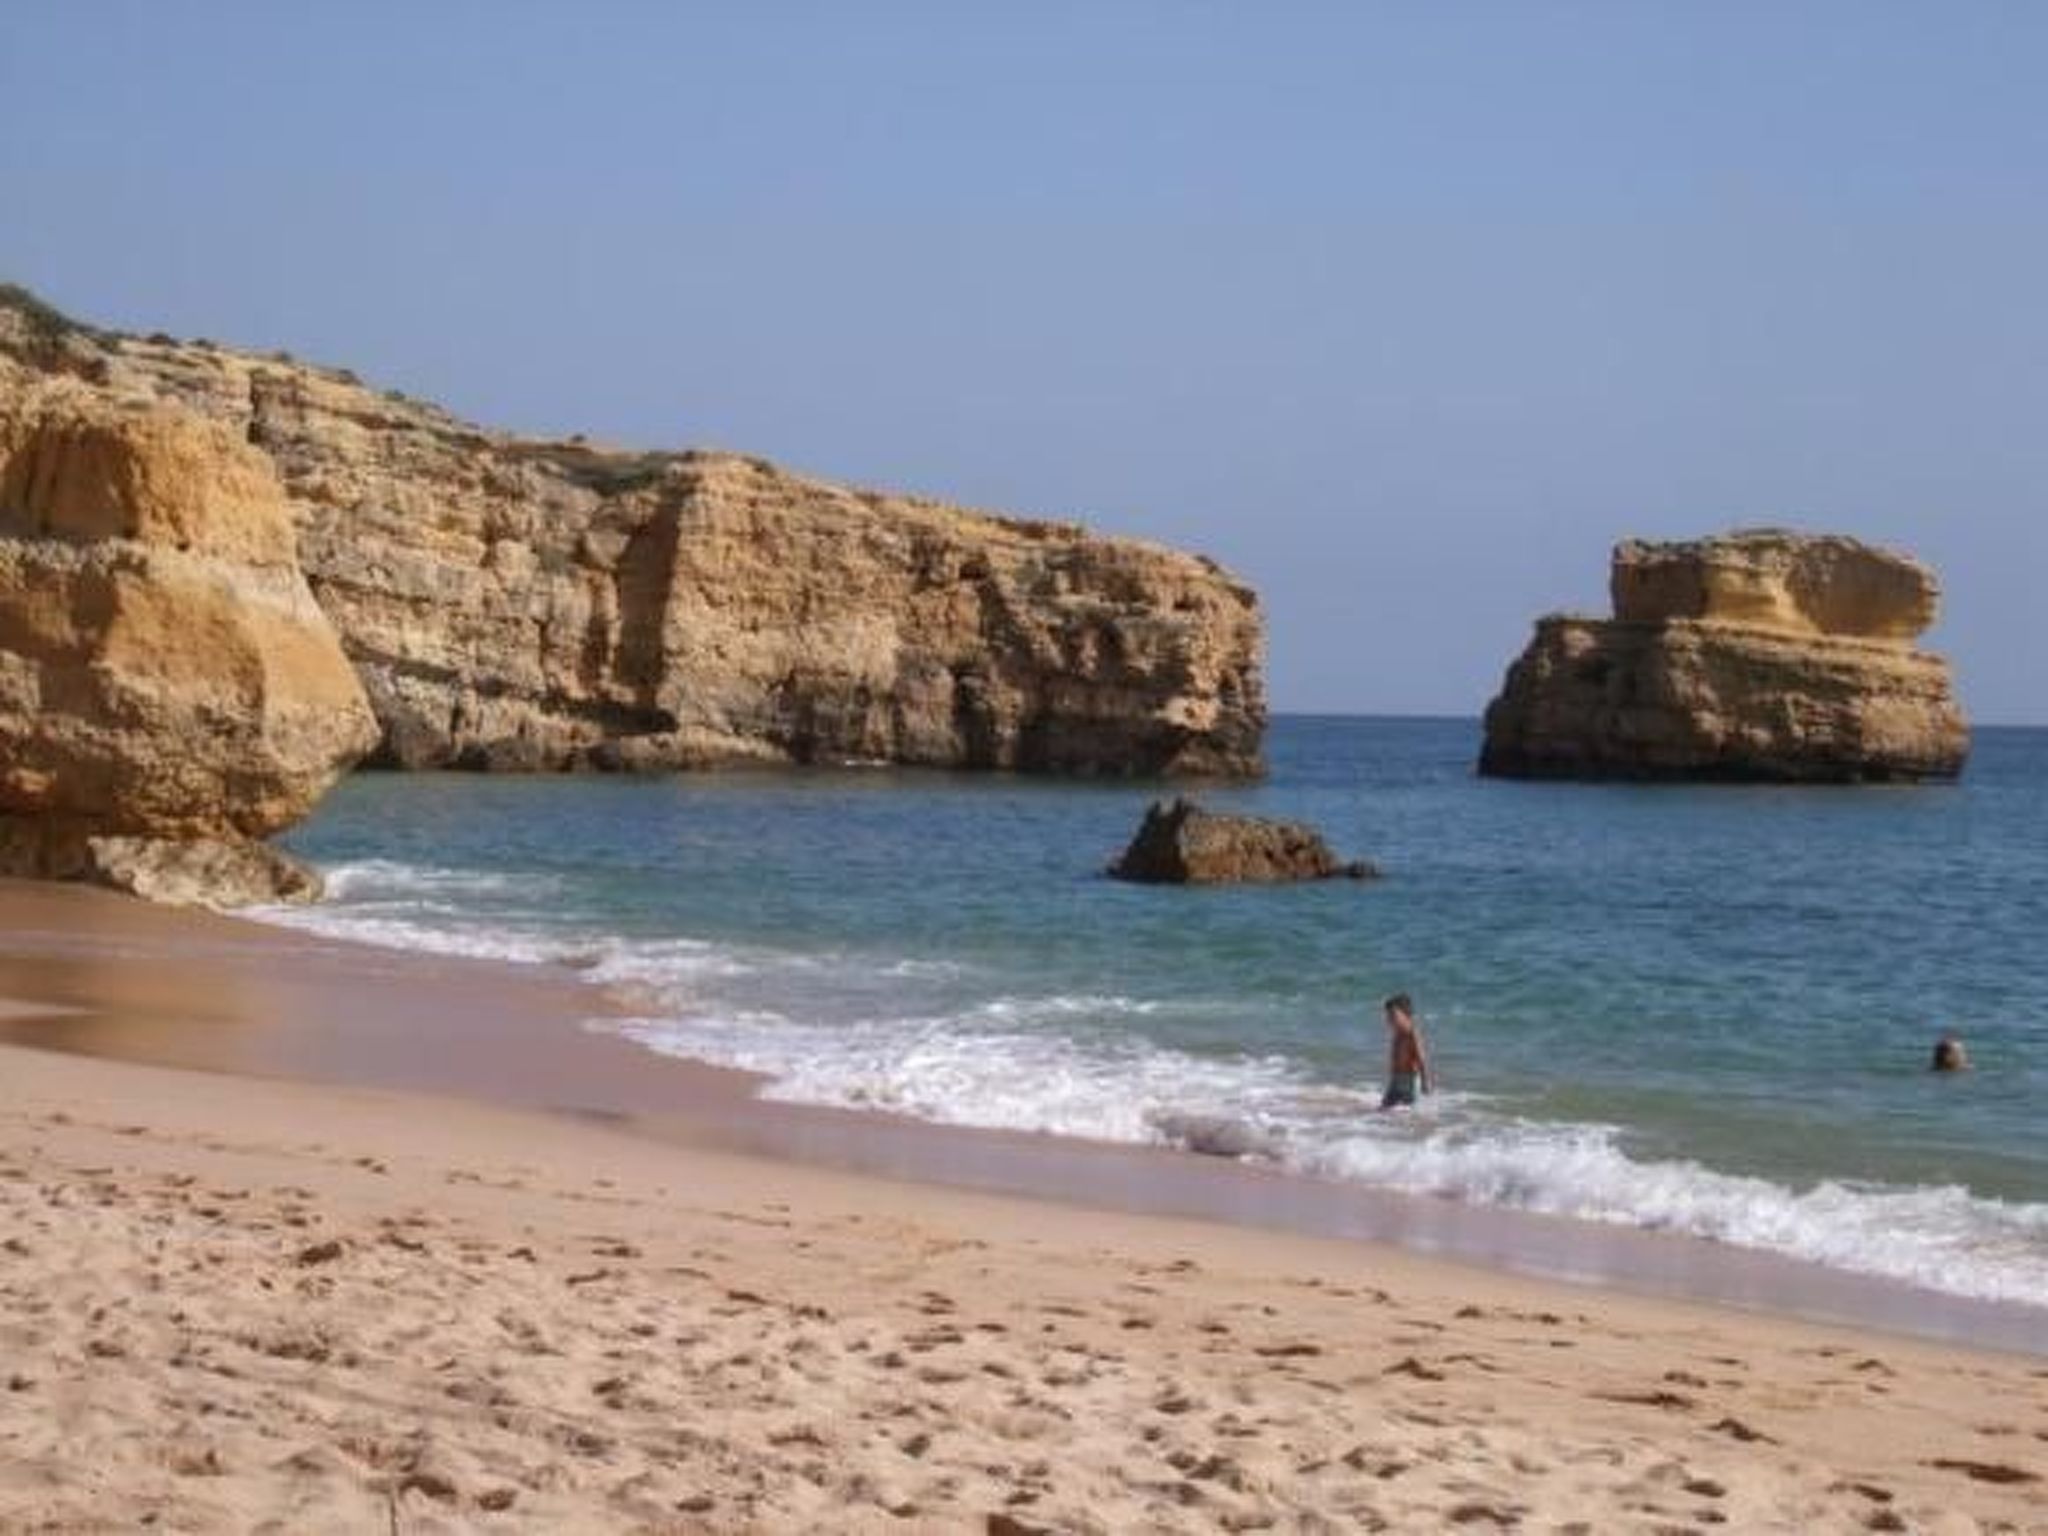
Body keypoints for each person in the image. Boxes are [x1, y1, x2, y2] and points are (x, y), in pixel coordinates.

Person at [1380, 992, 1432, 1109]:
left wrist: (1425, 1081)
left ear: (1405, 1014)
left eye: (1393, 1016)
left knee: (1406, 1111)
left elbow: (1421, 1058)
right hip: (1395, 1079)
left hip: (1409, 1081)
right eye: (1388, 1016)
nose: (1389, 1019)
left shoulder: (1412, 1033)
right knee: (1384, 1109)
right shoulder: (1398, 1034)